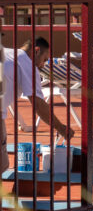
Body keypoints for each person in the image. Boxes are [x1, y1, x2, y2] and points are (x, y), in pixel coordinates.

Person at [1, 38, 74, 171]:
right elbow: (39, 105)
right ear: (36, 50)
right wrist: (61, 128)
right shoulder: (27, 64)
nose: (42, 65)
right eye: (44, 59)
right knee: (1, 165)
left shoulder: (6, 53)